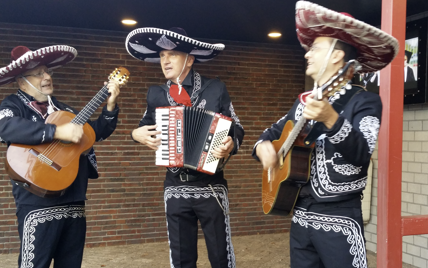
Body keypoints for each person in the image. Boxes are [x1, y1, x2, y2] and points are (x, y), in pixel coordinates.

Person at [252, 2, 398, 268]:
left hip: (339, 218)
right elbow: (268, 135)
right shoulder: (302, 103)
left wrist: (331, 118)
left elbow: (361, 155)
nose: (307, 54)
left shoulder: (365, 102)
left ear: (336, 56)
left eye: (315, 48)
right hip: (299, 216)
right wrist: (263, 148)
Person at [0, 45, 121, 268]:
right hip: (36, 201)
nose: (46, 77)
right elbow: (4, 127)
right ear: (21, 80)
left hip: (73, 197)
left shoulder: (65, 110)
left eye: (47, 71)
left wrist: (110, 107)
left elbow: (92, 134)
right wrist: (55, 132)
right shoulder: (13, 106)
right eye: (38, 73)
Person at [126, 27, 244, 268]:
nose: (165, 61)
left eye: (172, 55)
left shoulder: (215, 89)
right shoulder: (156, 94)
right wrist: (135, 134)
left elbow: (237, 128)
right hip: (175, 187)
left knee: (221, 256)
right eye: (161, 56)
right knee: (181, 258)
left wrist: (231, 143)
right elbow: (143, 126)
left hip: (210, 187)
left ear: (189, 59)